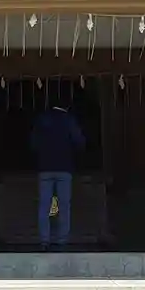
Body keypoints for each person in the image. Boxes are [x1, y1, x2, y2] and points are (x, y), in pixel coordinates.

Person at [30, 104, 85, 251]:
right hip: (64, 167)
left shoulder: (42, 120)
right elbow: (79, 142)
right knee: (64, 206)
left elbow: (33, 144)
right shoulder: (69, 120)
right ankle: (62, 240)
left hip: (45, 168)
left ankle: (44, 240)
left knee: (44, 206)